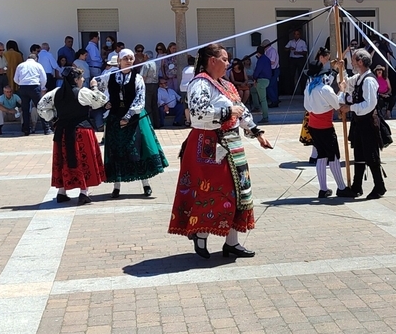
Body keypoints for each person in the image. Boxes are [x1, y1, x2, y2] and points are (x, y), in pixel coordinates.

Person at [168, 44, 272, 259]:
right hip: (209, 145)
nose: (228, 63)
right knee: (212, 192)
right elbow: (198, 115)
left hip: (233, 145)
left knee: (238, 192)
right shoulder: (199, 84)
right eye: (224, 59)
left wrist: (257, 132)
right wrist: (228, 111)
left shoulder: (226, 85)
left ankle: (231, 243)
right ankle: (201, 234)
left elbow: (241, 111)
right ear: (212, 60)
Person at [95, 49, 168, 198]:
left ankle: (145, 184)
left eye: (131, 58)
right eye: (126, 58)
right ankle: (116, 186)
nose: (129, 61)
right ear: (119, 61)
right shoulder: (109, 76)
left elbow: (140, 99)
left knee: (138, 150)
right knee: (115, 152)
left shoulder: (137, 78)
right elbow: (97, 88)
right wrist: (105, 102)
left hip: (133, 117)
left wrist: (127, 117)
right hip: (115, 117)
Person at [38, 67, 108, 205]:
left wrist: (53, 117)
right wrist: (94, 87)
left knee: (64, 159)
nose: (83, 80)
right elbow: (101, 101)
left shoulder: (55, 93)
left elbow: (41, 107)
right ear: (76, 80)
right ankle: (83, 192)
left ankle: (62, 192)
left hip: (62, 131)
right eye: (81, 78)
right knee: (83, 159)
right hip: (81, 131)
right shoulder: (83, 92)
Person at [337, 49, 387, 200]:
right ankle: (357, 186)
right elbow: (346, 83)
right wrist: (342, 68)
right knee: (358, 153)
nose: (352, 62)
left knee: (371, 155)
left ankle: (379, 186)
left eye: (353, 60)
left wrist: (350, 108)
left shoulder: (369, 80)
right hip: (359, 122)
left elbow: (369, 104)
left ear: (360, 62)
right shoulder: (359, 78)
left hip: (368, 122)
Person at [303, 49, 348, 198]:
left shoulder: (308, 89)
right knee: (333, 156)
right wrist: (341, 90)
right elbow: (337, 104)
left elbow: (308, 108)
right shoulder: (325, 89)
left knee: (321, 156)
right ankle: (341, 187)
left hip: (314, 126)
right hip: (325, 126)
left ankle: (323, 189)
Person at [14, 53, 48, 136]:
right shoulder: (38, 65)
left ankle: (26, 130)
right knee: (40, 107)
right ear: (36, 59)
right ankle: (46, 129)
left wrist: (21, 83)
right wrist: (42, 87)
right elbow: (43, 78)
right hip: (34, 87)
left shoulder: (20, 65)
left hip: (23, 87)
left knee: (25, 109)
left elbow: (15, 79)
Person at [139, 50, 161, 129]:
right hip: (155, 85)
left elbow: (143, 76)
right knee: (154, 104)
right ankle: (157, 123)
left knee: (147, 105)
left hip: (147, 85)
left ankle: (150, 124)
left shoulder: (146, 64)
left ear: (146, 56)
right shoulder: (155, 63)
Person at [252, 46, 272, 123]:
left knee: (263, 100)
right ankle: (256, 106)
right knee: (253, 90)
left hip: (261, 80)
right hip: (267, 80)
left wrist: (254, 78)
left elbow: (258, 70)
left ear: (258, 52)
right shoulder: (267, 59)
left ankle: (265, 117)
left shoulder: (260, 60)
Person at [285, 29, 308, 94]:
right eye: (295, 34)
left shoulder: (302, 42)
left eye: (297, 34)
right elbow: (285, 49)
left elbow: (305, 52)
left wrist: (298, 53)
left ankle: (303, 91)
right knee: (291, 75)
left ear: (299, 35)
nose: (296, 35)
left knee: (301, 75)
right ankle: (291, 91)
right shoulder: (291, 42)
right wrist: (290, 48)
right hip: (292, 59)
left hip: (300, 59)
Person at [261, 39, 280, 107]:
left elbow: (272, 61)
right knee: (273, 86)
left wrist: (263, 62)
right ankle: (275, 100)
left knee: (269, 86)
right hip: (272, 70)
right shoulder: (268, 51)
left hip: (274, 70)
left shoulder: (272, 51)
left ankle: (274, 101)